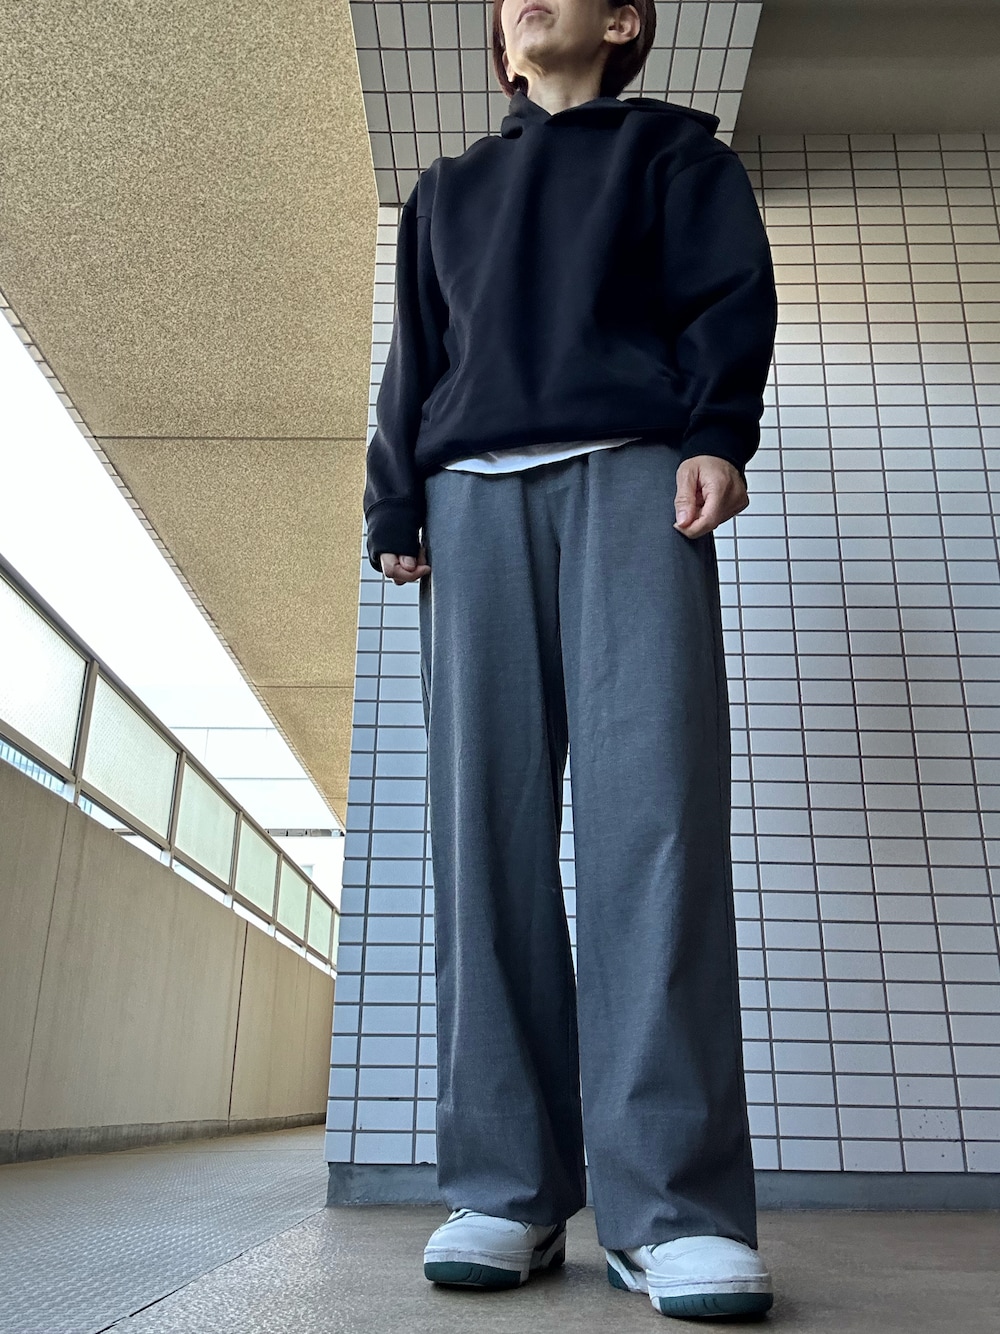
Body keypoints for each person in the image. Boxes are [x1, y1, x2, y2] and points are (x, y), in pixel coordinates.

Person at [362, 0, 778, 1319]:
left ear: (624, 21)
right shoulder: (448, 192)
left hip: (634, 479)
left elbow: (724, 301)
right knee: (482, 834)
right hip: (469, 501)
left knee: (652, 826)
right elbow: (416, 356)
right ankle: (508, 1187)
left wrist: (717, 434)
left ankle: (672, 1209)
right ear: (501, 47)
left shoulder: (676, 156)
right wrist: (393, 499)